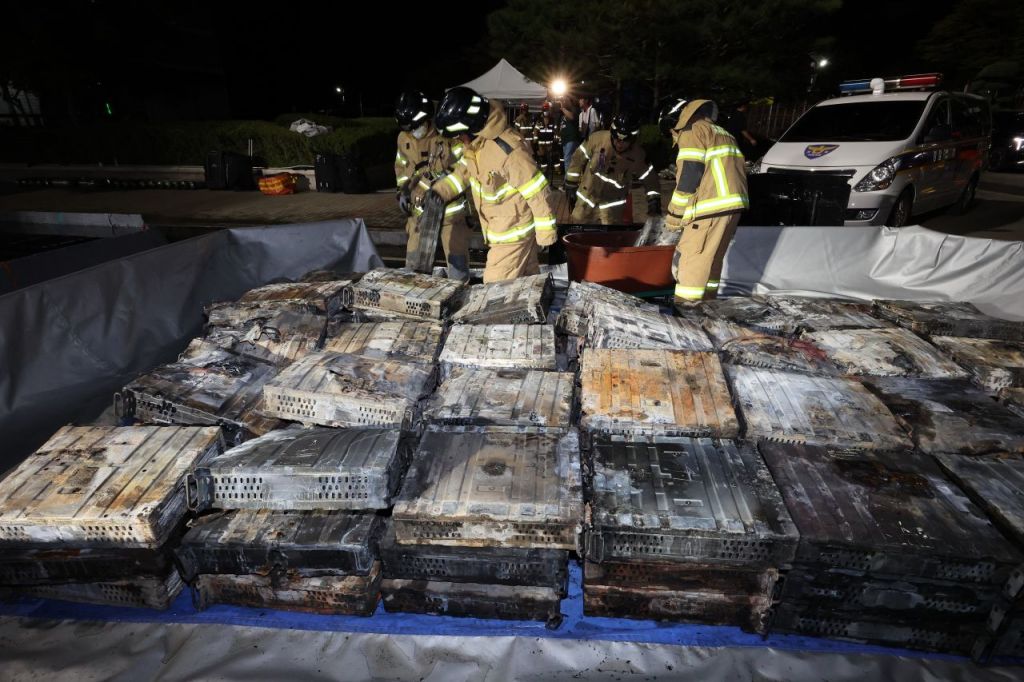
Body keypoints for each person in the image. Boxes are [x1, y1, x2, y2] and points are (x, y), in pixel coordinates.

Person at [428, 87, 559, 283]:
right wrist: (439, 191)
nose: (459, 140)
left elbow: (537, 190)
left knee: (494, 288)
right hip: (505, 230)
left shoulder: (507, 149)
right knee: (528, 284)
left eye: (459, 135)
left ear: (471, 127)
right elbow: (463, 173)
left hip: (512, 234)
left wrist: (546, 233)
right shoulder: (476, 146)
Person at [660, 98, 748, 303]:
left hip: (709, 208)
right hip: (731, 208)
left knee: (692, 261)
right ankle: (708, 304)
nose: (674, 135)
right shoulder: (722, 132)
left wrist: (675, 214)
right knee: (712, 261)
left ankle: (686, 309)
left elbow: (689, 175)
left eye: (671, 131)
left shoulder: (692, 131)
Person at [393, 90, 470, 280]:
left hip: (450, 214)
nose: (413, 131)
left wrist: (429, 184)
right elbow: (402, 168)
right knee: (414, 267)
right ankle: (415, 294)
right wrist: (402, 190)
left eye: (416, 126)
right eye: (409, 128)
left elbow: (464, 168)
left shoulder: (448, 136)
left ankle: (460, 292)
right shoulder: (404, 139)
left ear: (427, 118)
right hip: (418, 215)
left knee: (457, 265)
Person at [564, 111, 660, 224]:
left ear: (633, 139)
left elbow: (650, 179)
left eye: (625, 140)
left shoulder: (638, 155)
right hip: (586, 201)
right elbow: (578, 158)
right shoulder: (597, 140)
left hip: (612, 210)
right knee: (578, 230)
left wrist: (654, 200)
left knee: (610, 234)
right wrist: (571, 183)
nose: (620, 144)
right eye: (617, 138)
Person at [532, 102, 558, 179]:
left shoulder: (552, 120)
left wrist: (556, 140)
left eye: (547, 110)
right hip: (541, 145)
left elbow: (556, 131)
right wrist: (535, 144)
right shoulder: (539, 121)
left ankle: (552, 173)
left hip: (550, 145)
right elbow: (535, 132)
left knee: (551, 159)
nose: (546, 112)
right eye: (545, 110)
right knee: (543, 160)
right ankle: (544, 174)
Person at [558, 100, 582, 177]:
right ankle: (570, 179)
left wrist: (563, 108)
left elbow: (572, 117)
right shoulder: (562, 116)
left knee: (568, 160)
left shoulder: (573, 111)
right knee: (568, 160)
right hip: (565, 141)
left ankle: (567, 180)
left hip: (571, 139)